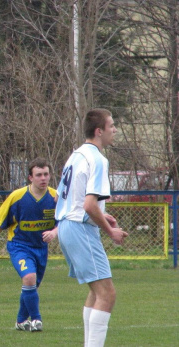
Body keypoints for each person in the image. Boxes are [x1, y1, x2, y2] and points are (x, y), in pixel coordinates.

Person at [55, 108, 129, 347]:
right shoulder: (97, 158)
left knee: (96, 292)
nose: (115, 130)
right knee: (107, 294)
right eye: (112, 126)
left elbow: (65, 199)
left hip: (67, 226)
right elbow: (88, 205)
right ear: (99, 131)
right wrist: (112, 232)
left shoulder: (75, 156)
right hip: (79, 229)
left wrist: (102, 215)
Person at [0, 157, 58, 332]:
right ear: (30, 177)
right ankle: (36, 320)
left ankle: (20, 321)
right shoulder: (17, 197)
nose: (43, 178)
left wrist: (54, 232)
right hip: (19, 246)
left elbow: (65, 220)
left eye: (46, 174)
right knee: (29, 278)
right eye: (39, 175)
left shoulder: (56, 197)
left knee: (31, 285)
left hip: (41, 248)